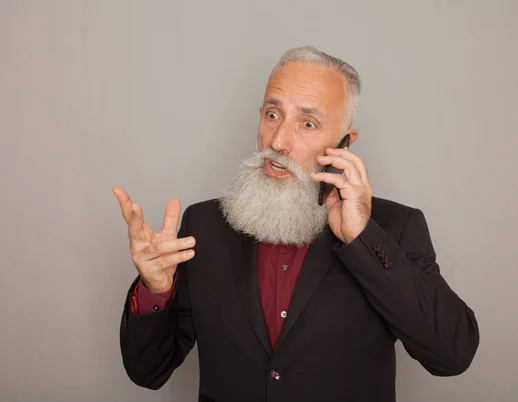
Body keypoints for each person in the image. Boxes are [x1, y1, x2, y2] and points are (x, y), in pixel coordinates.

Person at [114, 45, 479, 402]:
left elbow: (451, 355)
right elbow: (148, 371)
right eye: (272, 115)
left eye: (307, 123)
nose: (278, 141)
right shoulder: (204, 224)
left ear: (344, 144)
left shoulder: (395, 227)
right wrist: (156, 290)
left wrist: (362, 237)